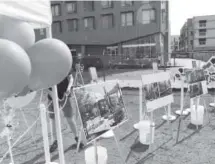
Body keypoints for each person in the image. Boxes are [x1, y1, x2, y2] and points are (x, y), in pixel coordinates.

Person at [47, 73, 84, 153]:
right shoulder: (48, 65)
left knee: (70, 118)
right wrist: (55, 97)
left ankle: (77, 138)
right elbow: (46, 87)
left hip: (65, 95)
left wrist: (68, 88)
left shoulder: (65, 63)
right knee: (53, 120)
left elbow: (71, 78)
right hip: (52, 97)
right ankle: (55, 141)